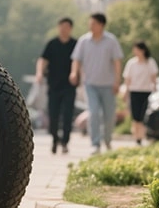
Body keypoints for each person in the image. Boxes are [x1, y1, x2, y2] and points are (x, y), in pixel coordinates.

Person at [69, 13, 123, 155]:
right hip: (90, 84)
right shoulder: (84, 41)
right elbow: (76, 59)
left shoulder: (111, 41)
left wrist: (117, 81)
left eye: (93, 24)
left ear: (101, 25)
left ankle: (107, 139)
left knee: (109, 115)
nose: (90, 26)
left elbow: (117, 62)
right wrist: (74, 73)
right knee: (93, 113)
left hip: (108, 85)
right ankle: (95, 143)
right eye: (90, 23)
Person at [35, 17, 77, 154]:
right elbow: (42, 60)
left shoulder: (75, 44)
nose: (63, 29)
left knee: (67, 114)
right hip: (53, 85)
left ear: (70, 28)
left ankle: (65, 141)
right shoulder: (52, 44)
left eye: (66, 27)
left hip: (69, 86)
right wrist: (39, 73)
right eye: (61, 26)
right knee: (53, 114)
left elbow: (80, 62)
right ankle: (55, 138)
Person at [122, 41, 158, 146]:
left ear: (143, 50)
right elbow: (128, 79)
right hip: (134, 91)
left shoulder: (150, 62)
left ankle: (141, 136)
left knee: (143, 115)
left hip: (146, 92)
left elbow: (153, 77)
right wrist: (126, 92)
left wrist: (155, 89)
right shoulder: (131, 63)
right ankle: (137, 137)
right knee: (135, 115)